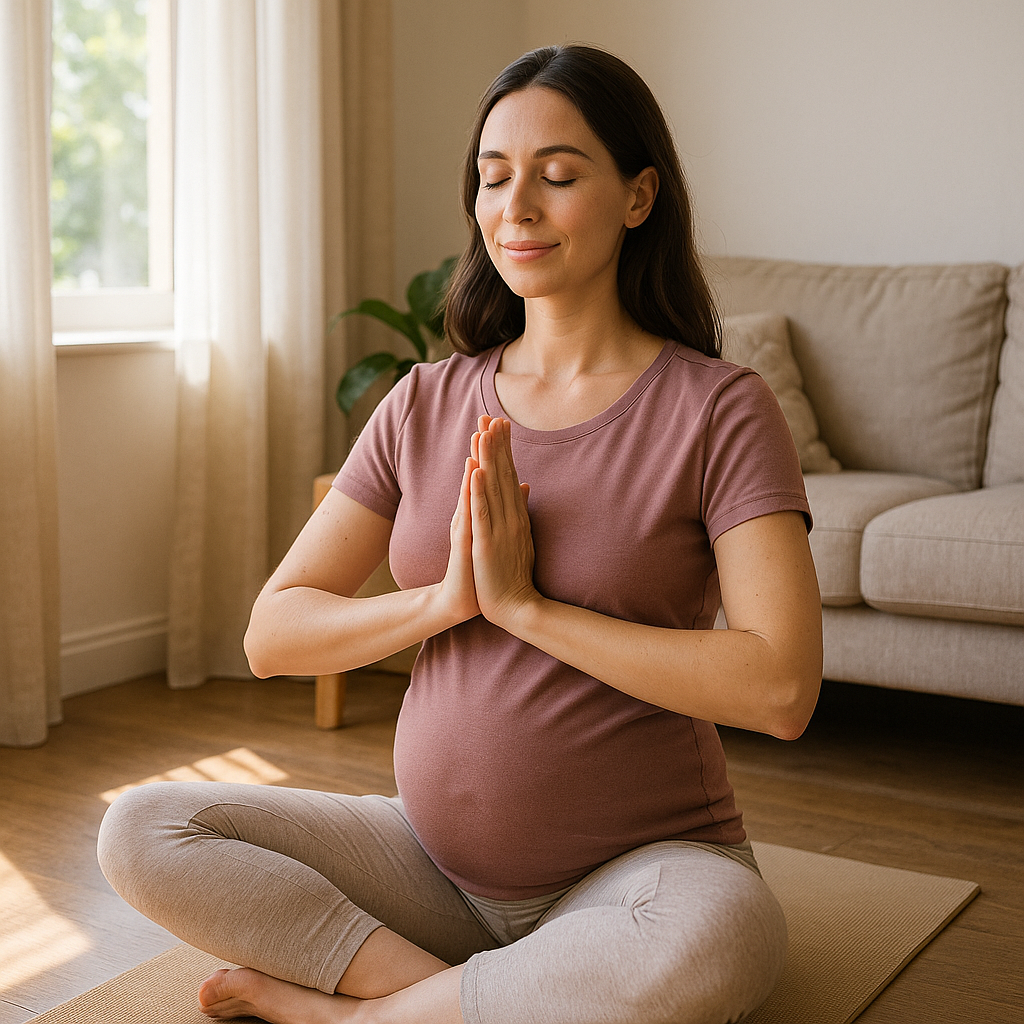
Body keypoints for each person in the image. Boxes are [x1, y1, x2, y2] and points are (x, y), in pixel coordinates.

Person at [98, 44, 822, 1024]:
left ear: (638, 195)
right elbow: (273, 635)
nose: (516, 207)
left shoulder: (718, 408)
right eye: (493, 176)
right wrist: (445, 602)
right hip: (429, 869)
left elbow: (780, 688)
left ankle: (358, 1013)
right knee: (145, 825)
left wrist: (525, 609)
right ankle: (451, 1000)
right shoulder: (424, 401)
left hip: (640, 873)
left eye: (557, 176)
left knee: (725, 935)